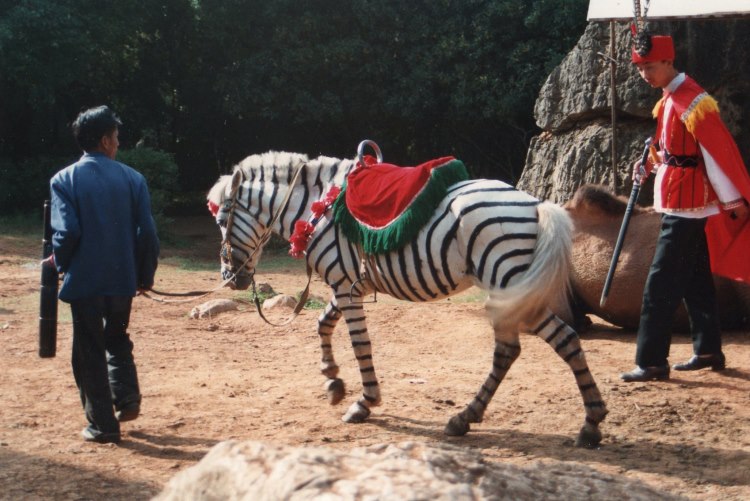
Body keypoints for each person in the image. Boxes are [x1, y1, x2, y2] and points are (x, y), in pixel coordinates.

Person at [620, 32, 750, 382]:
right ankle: (708, 349)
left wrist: (733, 201)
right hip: (680, 198)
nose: (644, 74)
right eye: (639, 68)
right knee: (695, 281)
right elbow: (669, 149)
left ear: (667, 61)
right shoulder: (671, 99)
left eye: (649, 66)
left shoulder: (693, 100)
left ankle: (651, 361)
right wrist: (648, 164)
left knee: (659, 284)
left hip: (688, 205)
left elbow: (713, 153)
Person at [46, 106, 160, 442]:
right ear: (106, 140)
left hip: (85, 284)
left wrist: (58, 263)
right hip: (122, 283)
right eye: (117, 137)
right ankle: (126, 397)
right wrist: (144, 276)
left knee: (88, 352)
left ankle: (103, 426)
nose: (119, 143)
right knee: (117, 339)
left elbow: (66, 233)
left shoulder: (63, 180)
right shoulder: (133, 179)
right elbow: (148, 236)